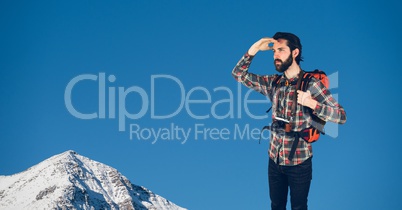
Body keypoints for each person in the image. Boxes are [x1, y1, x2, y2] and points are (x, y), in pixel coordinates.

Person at [232, 32, 347, 210]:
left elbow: (341, 116)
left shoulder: (311, 84)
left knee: (299, 207)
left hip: (299, 163)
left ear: (295, 53)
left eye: (281, 50)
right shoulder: (274, 83)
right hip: (274, 159)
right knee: (276, 206)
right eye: (274, 51)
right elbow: (238, 74)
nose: (275, 55)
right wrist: (254, 49)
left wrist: (312, 103)